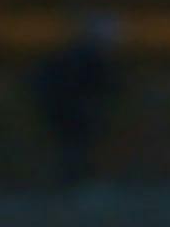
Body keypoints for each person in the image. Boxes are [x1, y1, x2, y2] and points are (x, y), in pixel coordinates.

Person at [27, 13, 124, 194]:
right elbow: (101, 83)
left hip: (63, 107)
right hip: (69, 108)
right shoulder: (87, 56)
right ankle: (73, 181)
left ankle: (72, 180)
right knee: (76, 145)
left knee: (74, 145)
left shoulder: (80, 54)